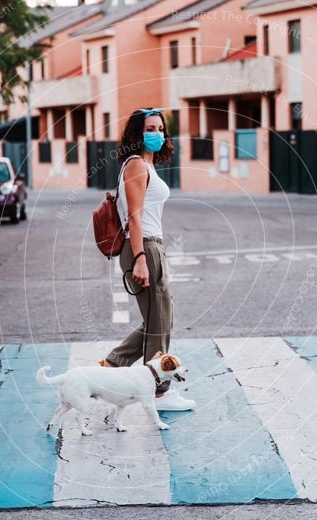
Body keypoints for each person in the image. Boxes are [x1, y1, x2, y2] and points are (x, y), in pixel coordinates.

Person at [97, 107, 195, 411]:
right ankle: (159, 392)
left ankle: (112, 365)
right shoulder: (137, 165)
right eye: (149, 129)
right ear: (136, 134)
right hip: (144, 246)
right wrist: (140, 257)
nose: (156, 134)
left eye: (160, 129)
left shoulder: (146, 165)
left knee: (160, 318)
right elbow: (136, 218)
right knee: (159, 321)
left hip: (152, 246)